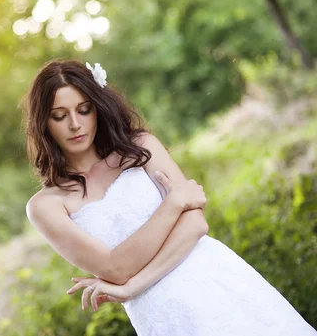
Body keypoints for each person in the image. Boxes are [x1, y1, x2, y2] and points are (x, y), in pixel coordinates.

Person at [23, 58, 316, 336]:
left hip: (215, 279)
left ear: (98, 108)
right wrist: (174, 203)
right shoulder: (46, 206)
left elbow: (197, 226)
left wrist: (132, 286)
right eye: (59, 116)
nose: (75, 124)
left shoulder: (140, 148)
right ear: (43, 123)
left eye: (84, 110)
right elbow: (115, 267)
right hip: (163, 314)